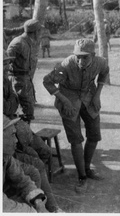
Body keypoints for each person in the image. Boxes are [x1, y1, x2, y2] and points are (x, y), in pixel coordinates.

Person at [43, 39, 109, 194]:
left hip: (89, 97)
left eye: (85, 57)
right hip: (69, 99)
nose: (80, 60)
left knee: (94, 135)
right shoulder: (65, 66)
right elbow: (48, 82)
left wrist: (97, 94)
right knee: (76, 139)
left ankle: (87, 168)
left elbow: (104, 72)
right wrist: (64, 99)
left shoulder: (100, 62)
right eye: (78, 56)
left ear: (93, 55)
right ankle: (82, 176)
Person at [3, 50, 62, 212]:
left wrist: (11, 103)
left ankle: (48, 203)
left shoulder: (6, 81)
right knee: (35, 163)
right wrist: (11, 103)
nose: (7, 66)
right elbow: (9, 106)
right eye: (3, 63)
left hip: (15, 127)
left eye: (7, 62)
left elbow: (13, 104)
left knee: (42, 152)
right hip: (8, 134)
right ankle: (50, 207)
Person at [3, 115, 48, 213]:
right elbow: (3, 206)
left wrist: (39, 203)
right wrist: (32, 212)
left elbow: (22, 180)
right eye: (12, 135)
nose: (16, 140)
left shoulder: (6, 157)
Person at [7, 19, 42, 123]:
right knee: (25, 111)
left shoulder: (29, 41)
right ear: (35, 32)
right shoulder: (18, 43)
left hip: (26, 80)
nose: (40, 33)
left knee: (29, 110)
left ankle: (25, 134)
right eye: (39, 31)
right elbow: (5, 62)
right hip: (18, 80)